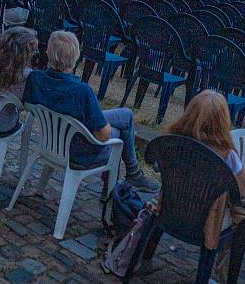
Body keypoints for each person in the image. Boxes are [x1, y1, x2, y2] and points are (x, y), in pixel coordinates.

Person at [23, 31, 159, 191]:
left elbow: (28, 104)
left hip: (51, 142)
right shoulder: (82, 91)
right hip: (78, 152)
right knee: (117, 130)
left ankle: (127, 178)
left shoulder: (35, 79)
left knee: (125, 115)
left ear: (48, 52)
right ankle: (128, 177)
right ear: (75, 57)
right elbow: (103, 135)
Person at [167, 90, 245, 201]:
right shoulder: (227, 155)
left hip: (169, 208)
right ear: (223, 121)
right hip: (207, 215)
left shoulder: (171, 141)